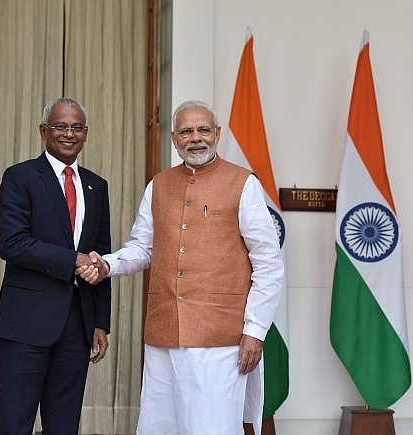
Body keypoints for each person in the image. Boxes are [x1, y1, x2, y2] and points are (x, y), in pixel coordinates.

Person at [78, 100, 284, 435]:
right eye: (186, 131)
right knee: (161, 427)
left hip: (221, 337)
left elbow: (268, 264)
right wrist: (106, 265)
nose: (196, 138)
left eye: (204, 129)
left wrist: (255, 331)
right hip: (163, 335)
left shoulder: (243, 183)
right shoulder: (158, 184)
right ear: (174, 138)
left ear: (217, 134)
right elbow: (142, 248)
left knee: (211, 428)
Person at [0, 97, 112, 435]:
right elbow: (12, 243)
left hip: (78, 325)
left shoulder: (96, 185)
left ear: (85, 134)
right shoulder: (20, 177)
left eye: (77, 127)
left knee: (64, 424)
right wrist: (73, 259)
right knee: (16, 421)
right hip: (27, 323)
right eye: (61, 126)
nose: (69, 134)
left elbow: (100, 256)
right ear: (44, 130)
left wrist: (100, 322)